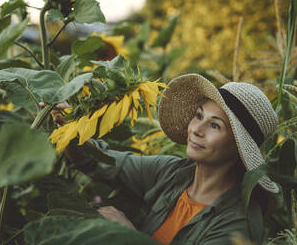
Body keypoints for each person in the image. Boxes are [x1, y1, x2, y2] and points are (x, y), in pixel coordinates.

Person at [49, 73, 279, 245]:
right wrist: (69, 126)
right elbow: (98, 161)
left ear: (239, 148)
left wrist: (128, 235)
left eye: (215, 125)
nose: (197, 129)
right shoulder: (172, 173)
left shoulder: (239, 224)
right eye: (199, 115)